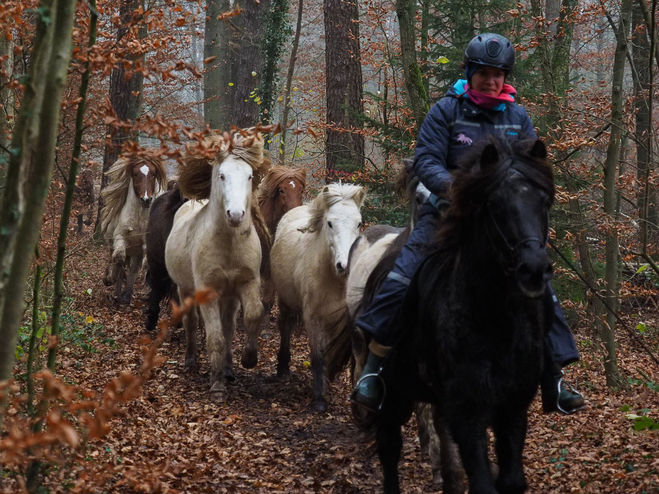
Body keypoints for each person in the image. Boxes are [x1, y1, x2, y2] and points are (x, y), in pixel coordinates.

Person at [351, 33, 585, 421]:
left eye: (498, 74)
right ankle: (375, 369)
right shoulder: (445, 111)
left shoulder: (518, 117)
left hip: (501, 224)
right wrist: (457, 190)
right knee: (403, 277)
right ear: (469, 73)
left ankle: (554, 375)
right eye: (484, 73)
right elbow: (426, 160)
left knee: (537, 280)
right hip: (445, 213)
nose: (491, 81)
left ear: (505, 76)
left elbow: (531, 167)